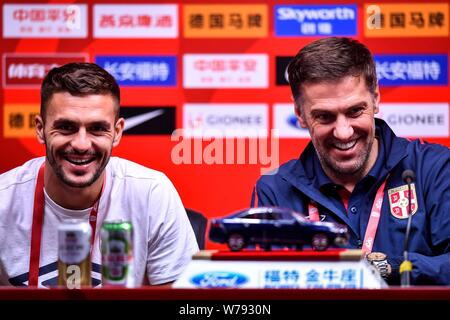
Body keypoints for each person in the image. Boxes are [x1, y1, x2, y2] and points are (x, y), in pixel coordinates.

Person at [251, 37, 450, 285]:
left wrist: (390, 267)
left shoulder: (434, 169)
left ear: (375, 98)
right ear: (300, 115)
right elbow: (265, 286)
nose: (343, 132)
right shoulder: (275, 190)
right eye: (324, 117)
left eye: (355, 111)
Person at [0, 62, 199, 287]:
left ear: (116, 132)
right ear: (40, 129)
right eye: (66, 127)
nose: (82, 144)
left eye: (97, 129)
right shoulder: (3, 200)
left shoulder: (151, 193)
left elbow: (184, 304)